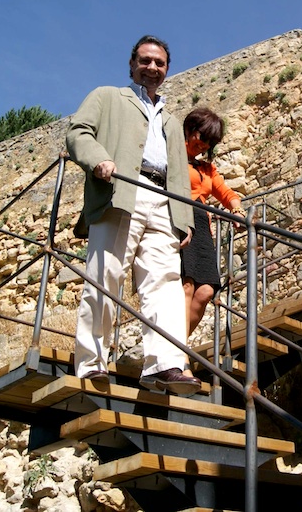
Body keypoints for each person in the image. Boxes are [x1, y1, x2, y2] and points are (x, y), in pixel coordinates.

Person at [66, 35, 201, 396]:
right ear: (131, 64)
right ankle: (92, 362)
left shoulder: (172, 121)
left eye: (159, 63)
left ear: (167, 69)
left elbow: (179, 173)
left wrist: (184, 218)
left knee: (165, 283)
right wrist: (98, 159)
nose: (152, 67)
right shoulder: (107, 96)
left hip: (164, 202)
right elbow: (77, 133)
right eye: (145, 61)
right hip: (121, 191)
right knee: (105, 275)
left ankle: (164, 365)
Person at [180, 107, 245, 339]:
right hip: (180, 219)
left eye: (210, 142)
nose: (204, 145)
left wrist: (237, 209)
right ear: (190, 129)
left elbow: (226, 193)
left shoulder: (207, 169)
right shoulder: (172, 157)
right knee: (186, 286)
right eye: (202, 137)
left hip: (202, 227)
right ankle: (178, 352)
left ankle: (176, 344)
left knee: (206, 291)